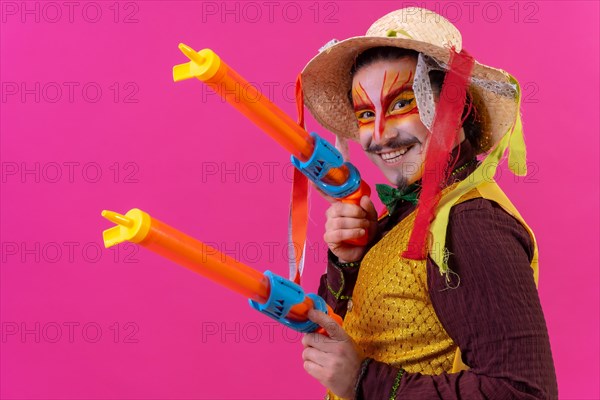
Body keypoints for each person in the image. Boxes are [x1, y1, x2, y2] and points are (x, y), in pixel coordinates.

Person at [296, 7, 558, 400]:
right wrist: (350, 260)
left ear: (456, 106)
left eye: (402, 104)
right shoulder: (408, 210)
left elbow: (524, 392)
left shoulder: (472, 223)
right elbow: (354, 329)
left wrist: (363, 381)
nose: (379, 136)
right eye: (367, 114)